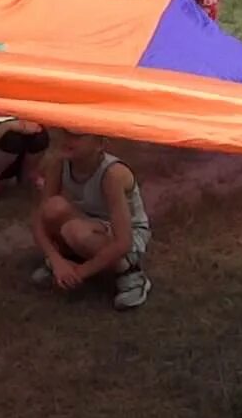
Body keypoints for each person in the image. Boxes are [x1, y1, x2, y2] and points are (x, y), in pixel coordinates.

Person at [29, 131, 151, 310]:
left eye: (77, 136)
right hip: (89, 223)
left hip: (129, 237)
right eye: (65, 133)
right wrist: (56, 262)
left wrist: (79, 273)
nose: (67, 140)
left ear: (99, 144)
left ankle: (130, 273)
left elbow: (124, 241)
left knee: (76, 231)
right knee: (53, 207)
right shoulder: (59, 163)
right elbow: (38, 221)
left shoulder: (112, 174)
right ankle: (70, 259)